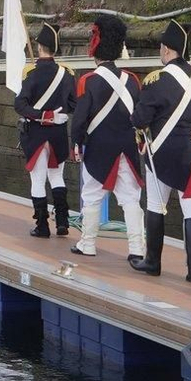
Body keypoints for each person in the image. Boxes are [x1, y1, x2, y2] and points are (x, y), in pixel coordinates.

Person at [130, 21, 191, 284]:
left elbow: (139, 119)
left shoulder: (156, 80)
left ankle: (153, 262)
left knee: (155, 206)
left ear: (165, 50)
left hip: (162, 154)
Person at [67, 15, 147, 264]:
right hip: (127, 146)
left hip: (99, 147)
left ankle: (88, 244)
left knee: (91, 195)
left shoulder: (88, 81)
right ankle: (137, 249)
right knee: (131, 199)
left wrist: (76, 143)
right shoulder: (133, 80)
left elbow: (80, 120)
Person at [13, 22, 74, 237]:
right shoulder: (66, 74)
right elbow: (73, 104)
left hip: (37, 133)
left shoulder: (32, 73)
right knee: (57, 178)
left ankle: (42, 226)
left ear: (39, 48)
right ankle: (62, 223)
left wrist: (42, 115)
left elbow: (20, 104)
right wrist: (57, 115)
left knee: (38, 179)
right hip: (58, 133)